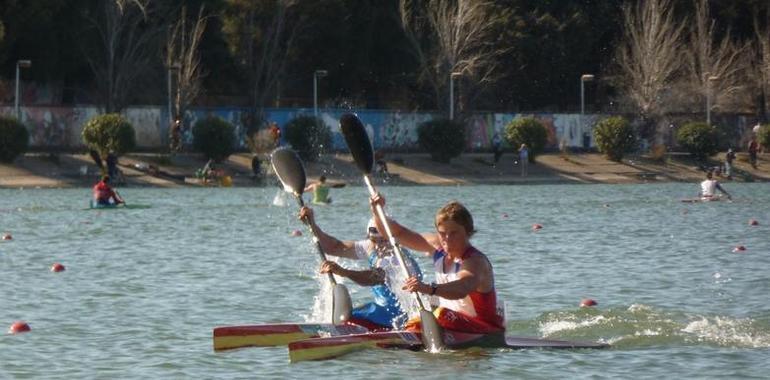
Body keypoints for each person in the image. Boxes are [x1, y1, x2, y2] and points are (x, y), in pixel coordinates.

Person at [369, 194, 505, 334]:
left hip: (484, 329)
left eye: (454, 233)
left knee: (439, 314)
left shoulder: (475, 261)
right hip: (450, 322)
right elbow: (396, 233)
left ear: (468, 232)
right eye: (442, 233)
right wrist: (376, 210)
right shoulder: (438, 247)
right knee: (416, 319)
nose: (447, 239)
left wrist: (428, 288)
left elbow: (462, 287)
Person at [298, 206, 423, 330]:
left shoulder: (396, 258)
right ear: (369, 237)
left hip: (404, 314)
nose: (379, 246)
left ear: (392, 238)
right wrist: (312, 225)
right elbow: (333, 247)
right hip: (384, 311)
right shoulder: (370, 246)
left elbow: (375, 277)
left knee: (348, 318)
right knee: (348, 317)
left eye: (383, 241)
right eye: (375, 241)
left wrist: (343, 272)